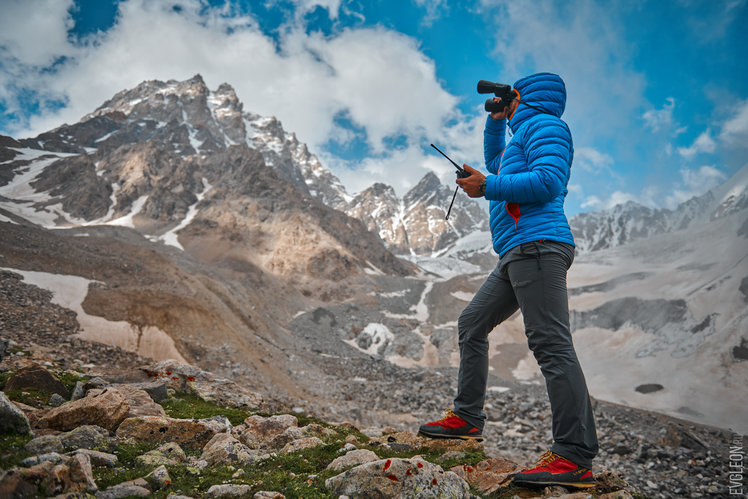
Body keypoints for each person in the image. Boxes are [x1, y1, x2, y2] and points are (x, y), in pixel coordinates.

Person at [418, 72, 599, 489]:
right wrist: (495, 122)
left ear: (521, 96)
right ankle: (467, 419)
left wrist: (489, 185)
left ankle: (574, 456)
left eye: (508, 100)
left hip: (538, 245)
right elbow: (498, 162)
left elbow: (548, 181)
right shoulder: (522, 135)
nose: (505, 105)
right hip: (517, 251)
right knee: (472, 323)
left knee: (550, 343)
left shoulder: (547, 126)